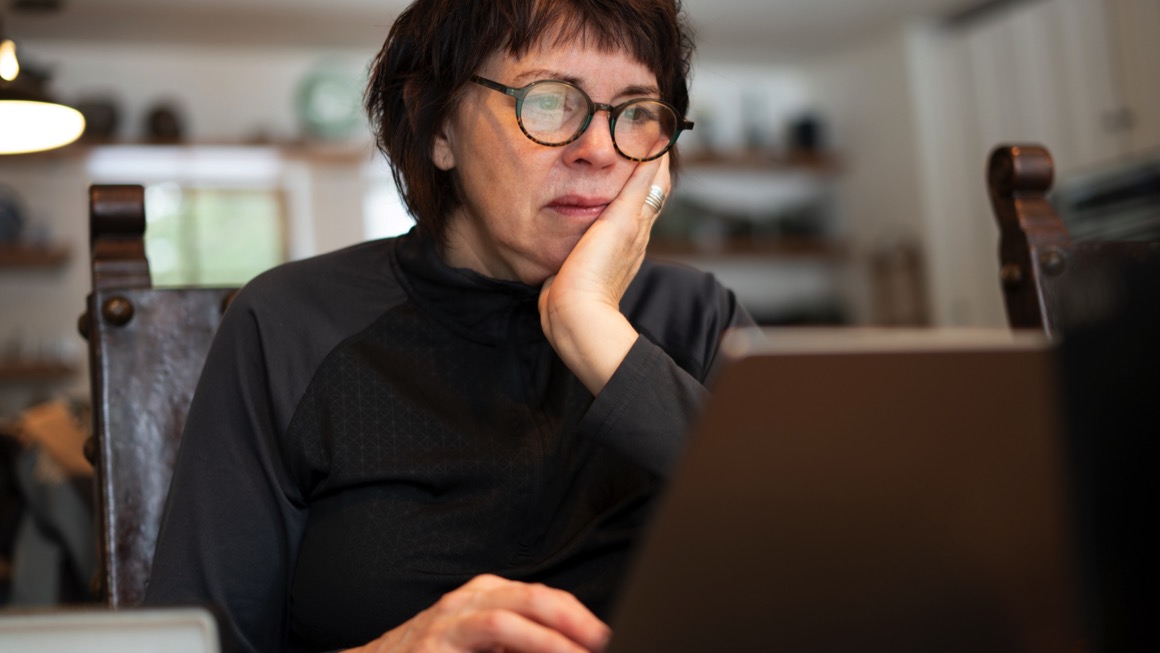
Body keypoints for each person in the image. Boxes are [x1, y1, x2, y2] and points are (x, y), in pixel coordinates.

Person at [143, 0, 754, 651]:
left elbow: (841, 569)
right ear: (434, 124)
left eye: (635, 113)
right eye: (549, 102)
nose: (599, 150)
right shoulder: (289, 325)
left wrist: (593, 329)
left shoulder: (698, 318)